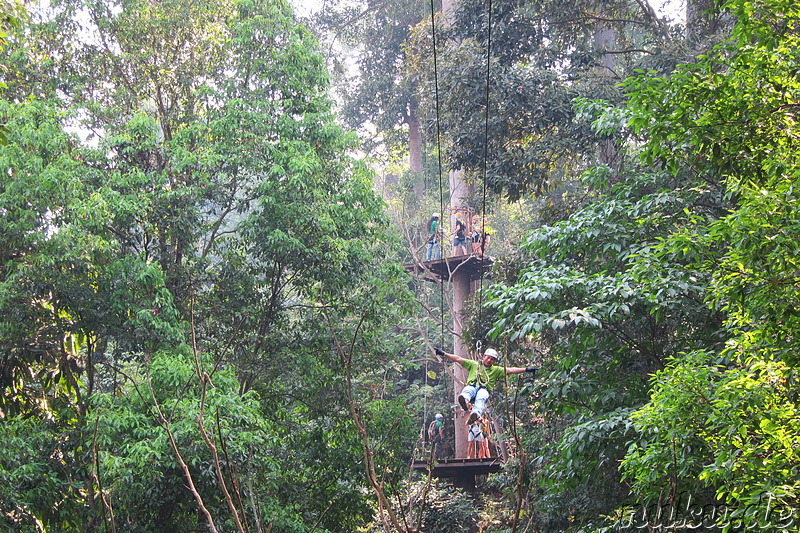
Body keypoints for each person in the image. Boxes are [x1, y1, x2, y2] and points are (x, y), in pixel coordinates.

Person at [434, 347, 537, 424]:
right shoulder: (474, 364)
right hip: (473, 386)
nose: (489, 360)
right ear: (484, 357)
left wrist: (526, 369)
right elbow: (458, 359)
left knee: (481, 397)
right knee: (468, 390)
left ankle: (475, 414)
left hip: (484, 389)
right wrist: (443, 354)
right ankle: (464, 400)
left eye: (492, 359)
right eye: (488, 358)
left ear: (494, 361)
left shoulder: (496, 370)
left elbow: (510, 370)